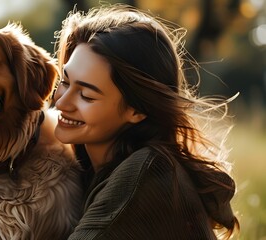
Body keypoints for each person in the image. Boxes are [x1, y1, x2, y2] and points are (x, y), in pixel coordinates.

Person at [52, 4, 239, 240]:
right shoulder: (93, 168)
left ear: (137, 110)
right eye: (66, 82)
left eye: (87, 95)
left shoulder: (145, 174)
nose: (61, 102)